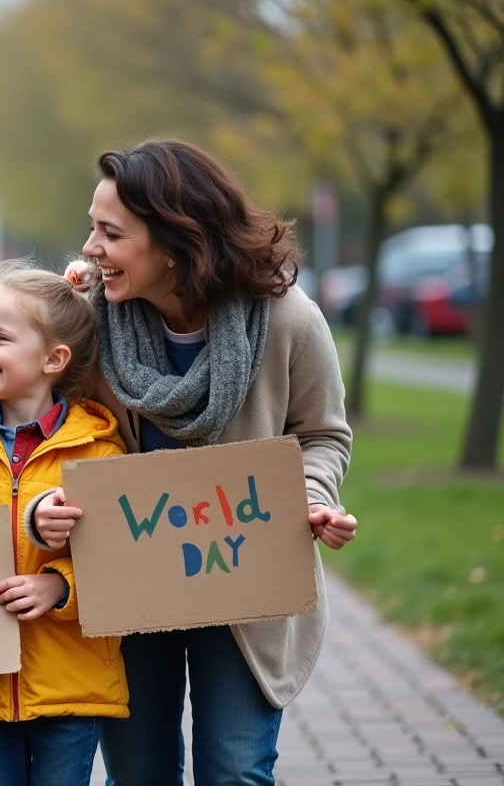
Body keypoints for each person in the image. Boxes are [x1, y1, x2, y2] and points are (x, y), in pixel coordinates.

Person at [32, 138, 358, 784]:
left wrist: (313, 496)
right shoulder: (92, 326)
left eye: (110, 233)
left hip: (245, 584)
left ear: (176, 240)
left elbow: (323, 434)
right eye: (92, 230)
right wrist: (45, 509)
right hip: (130, 585)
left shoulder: (287, 320)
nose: (91, 248)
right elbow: (41, 432)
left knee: (235, 770)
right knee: (140, 772)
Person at [0, 261, 129, 786]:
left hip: (72, 683)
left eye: (1, 337)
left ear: (54, 359)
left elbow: (126, 567)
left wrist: (58, 586)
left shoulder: (99, 450)